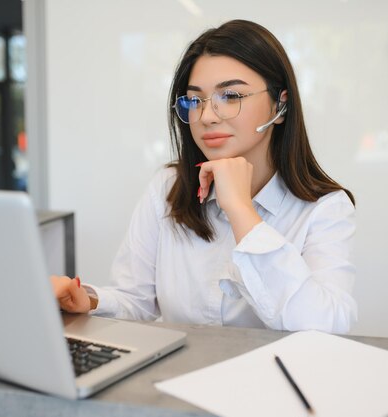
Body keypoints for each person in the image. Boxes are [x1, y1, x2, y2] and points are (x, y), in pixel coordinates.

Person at [51, 19, 357, 333]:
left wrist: (242, 211)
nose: (207, 116)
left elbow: (326, 327)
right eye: (195, 100)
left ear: (280, 104)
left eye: (232, 96)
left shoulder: (326, 208)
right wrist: (87, 300)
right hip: (179, 378)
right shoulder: (168, 188)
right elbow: (137, 299)